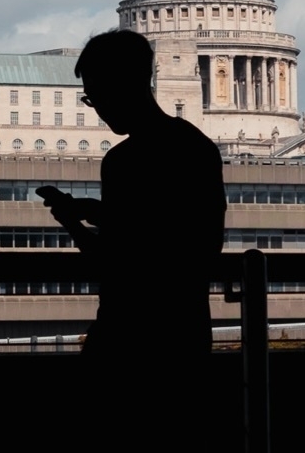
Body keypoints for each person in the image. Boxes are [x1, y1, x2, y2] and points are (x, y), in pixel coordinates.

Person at [37, 29, 225, 359]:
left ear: (122, 85)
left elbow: (118, 262)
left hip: (126, 332)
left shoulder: (124, 161)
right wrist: (92, 216)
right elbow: (193, 242)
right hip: (186, 329)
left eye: (96, 96)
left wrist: (76, 221)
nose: (97, 109)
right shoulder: (196, 146)